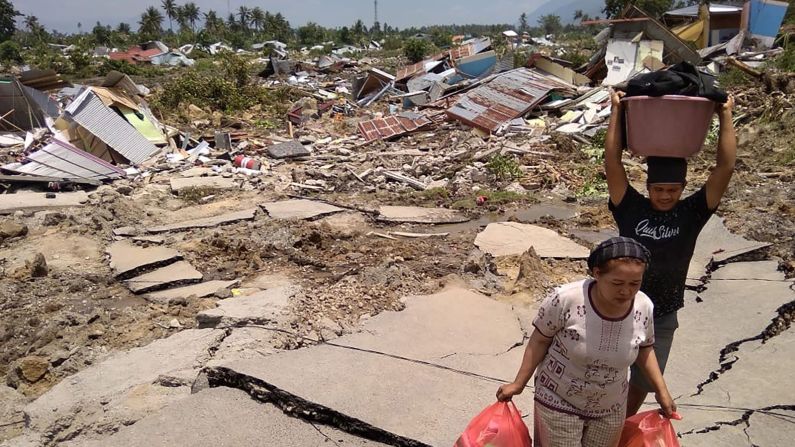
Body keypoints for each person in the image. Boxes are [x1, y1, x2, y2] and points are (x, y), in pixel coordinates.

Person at [604, 90, 737, 416]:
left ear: (682, 189)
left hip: (662, 315)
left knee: (643, 384)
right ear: (648, 187)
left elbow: (725, 166)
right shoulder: (630, 208)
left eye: (672, 190)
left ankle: (620, 430)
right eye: (659, 189)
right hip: (620, 307)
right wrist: (617, 112)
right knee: (605, 378)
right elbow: (612, 161)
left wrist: (725, 115)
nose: (665, 196)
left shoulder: (692, 212)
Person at [497, 237, 676, 447]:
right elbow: (539, 341)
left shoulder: (643, 306)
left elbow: (645, 349)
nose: (626, 291)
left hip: (610, 407)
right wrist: (518, 384)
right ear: (597, 274)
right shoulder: (565, 299)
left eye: (634, 283)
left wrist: (662, 392)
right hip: (558, 401)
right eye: (617, 283)